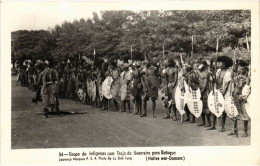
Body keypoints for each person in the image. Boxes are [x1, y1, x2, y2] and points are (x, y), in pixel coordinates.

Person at [231, 60, 250, 137]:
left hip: (243, 97)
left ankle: (245, 131)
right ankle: (234, 130)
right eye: (240, 68)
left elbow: (249, 88)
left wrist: (244, 96)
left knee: (245, 114)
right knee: (234, 113)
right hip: (236, 95)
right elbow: (235, 85)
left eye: (242, 69)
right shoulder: (237, 76)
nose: (240, 70)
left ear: (246, 69)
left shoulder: (248, 77)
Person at [215, 56, 233, 132]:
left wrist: (222, 94)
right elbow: (216, 82)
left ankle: (232, 128)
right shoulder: (218, 71)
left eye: (220, 62)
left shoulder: (228, 73)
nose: (218, 63)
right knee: (219, 109)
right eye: (218, 62)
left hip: (226, 94)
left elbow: (226, 86)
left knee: (226, 110)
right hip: (218, 92)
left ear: (224, 63)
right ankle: (221, 126)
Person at [198, 61, 212, 127]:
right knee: (201, 107)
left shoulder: (207, 73)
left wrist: (201, 93)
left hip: (205, 91)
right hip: (200, 90)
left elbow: (205, 85)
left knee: (206, 108)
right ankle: (203, 122)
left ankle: (208, 123)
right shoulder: (201, 73)